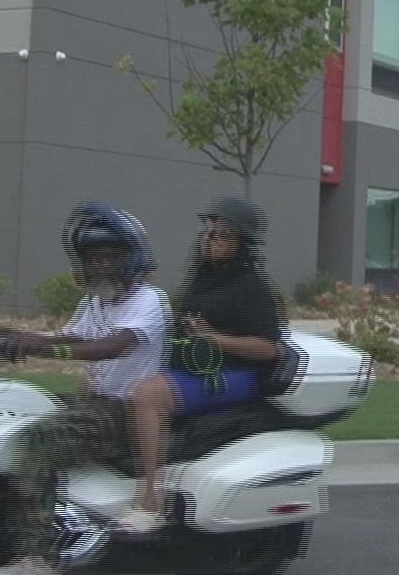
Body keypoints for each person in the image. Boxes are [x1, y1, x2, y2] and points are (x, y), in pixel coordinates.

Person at [0, 201, 170, 575]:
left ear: (131, 257)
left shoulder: (148, 300)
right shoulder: (96, 302)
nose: (101, 265)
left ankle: (37, 559)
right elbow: (71, 339)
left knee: (36, 441)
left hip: (122, 412)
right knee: (8, 413)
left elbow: (110, 347)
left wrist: (42, 349)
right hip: (93, 402)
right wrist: (4, 335)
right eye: (93, 258)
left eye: (110, 256)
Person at [117, 196, 286, 534]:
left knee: (147, 396)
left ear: (242, 242)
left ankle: (151, 501)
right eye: (208, 232)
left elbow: (269, 348)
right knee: (121, 386)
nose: (211, 239)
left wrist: (215, 339)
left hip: (234, 374)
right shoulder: (203, 279)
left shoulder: (252, 288)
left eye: (222, 234)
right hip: (195, 369)